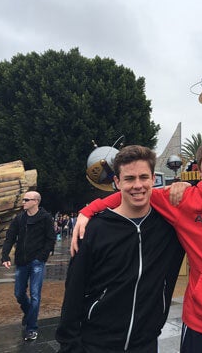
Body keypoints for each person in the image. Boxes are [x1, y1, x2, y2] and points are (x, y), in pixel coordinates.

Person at [73, 137, 202, 353]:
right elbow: (137, 192)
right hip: (200, 325)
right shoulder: (182, 200)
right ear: (199, 169)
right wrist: (89, 210)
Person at [56, 145, 184, 352]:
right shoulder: (94, 229)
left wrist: (184, 185)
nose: (138, 185)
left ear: (153, 179)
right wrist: (70, 345)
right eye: (129, 179)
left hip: (146, 343)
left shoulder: (168, 227)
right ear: (117, 182)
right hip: (97, 343)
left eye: (144, 177)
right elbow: (73, 292)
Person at [1, 191, 55, 342]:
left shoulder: (45, 218)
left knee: (35, 295)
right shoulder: (19, 219)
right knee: (18, 293)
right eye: (23, 199)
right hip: (21, 261)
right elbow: (10, 237)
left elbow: (50, 239)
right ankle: (29, 312)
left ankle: (32, 328)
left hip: (37, 261)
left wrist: (42, 256)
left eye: (26, 199)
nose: (23, 202)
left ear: (36, 201)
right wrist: (5, 256)